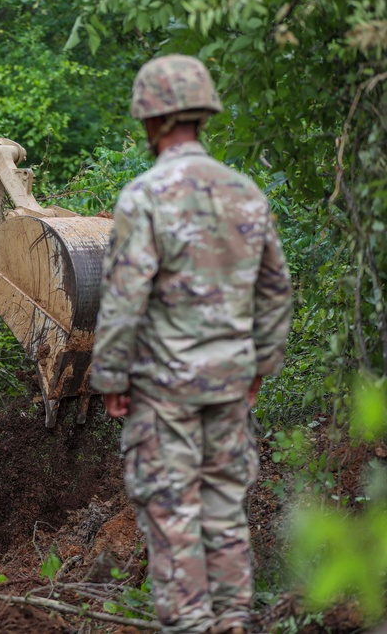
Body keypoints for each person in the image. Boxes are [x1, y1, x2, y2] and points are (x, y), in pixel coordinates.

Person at [90, 55, 293, 634]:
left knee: (173, 513)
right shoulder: (246, 194)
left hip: (163, 392)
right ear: (201, 115)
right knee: (226, 509)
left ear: (152, 121)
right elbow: (277, 292)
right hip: (230, 384)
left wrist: (112, 379)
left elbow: (125, 298)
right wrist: (260, 364)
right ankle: (232, 622)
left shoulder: (145, 196)